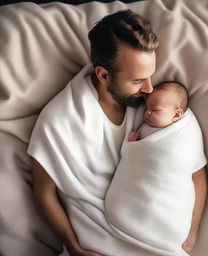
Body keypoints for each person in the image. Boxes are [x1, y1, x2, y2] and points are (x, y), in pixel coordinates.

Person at [28, 9, 159, 256]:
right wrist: (74, 247)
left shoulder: (153, 106)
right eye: (137, 80)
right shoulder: (60, 120)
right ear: (103, 75)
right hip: (95, 243)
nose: (149, 87)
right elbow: (43, 193)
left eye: (151, 75)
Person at [104, 81, 207, 255]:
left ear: (177, 114)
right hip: (127, 209)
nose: (147, 113)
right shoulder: (143, 128)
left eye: (156, 110)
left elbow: (199, 178)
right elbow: (131, 160)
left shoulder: (187, 135)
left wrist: (193, 231)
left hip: (165, 218)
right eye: (147, 109)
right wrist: (131, 146)